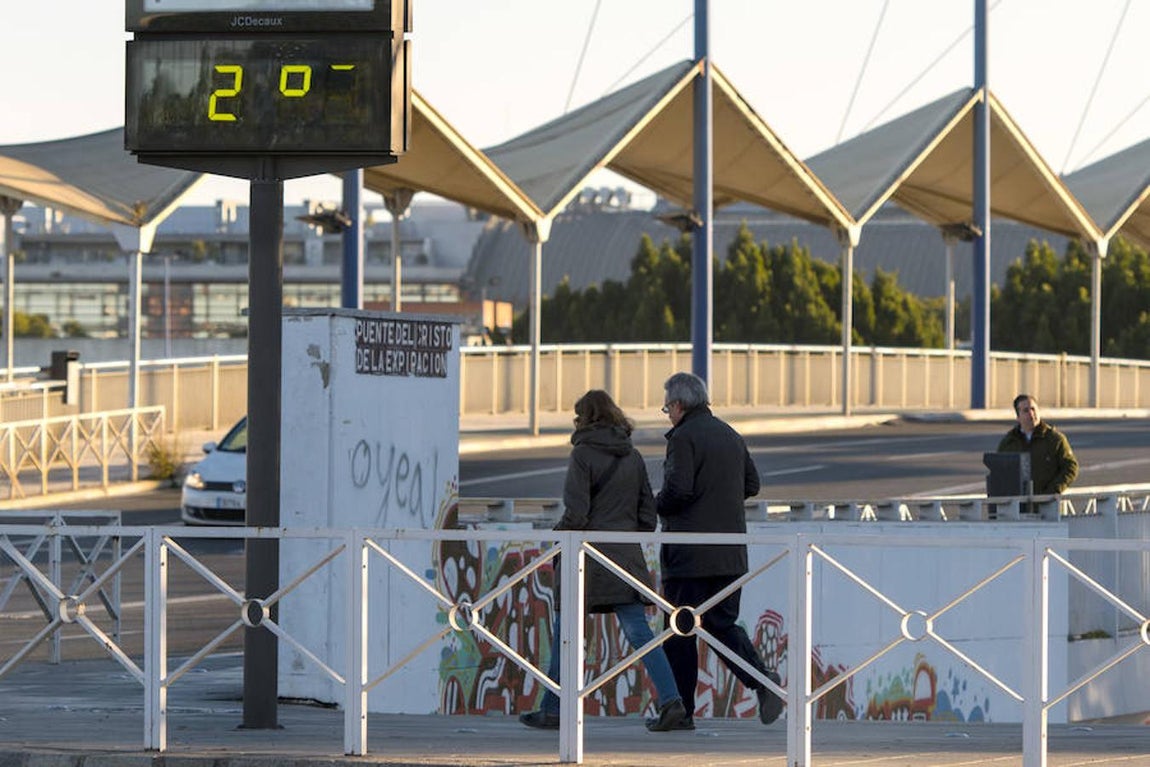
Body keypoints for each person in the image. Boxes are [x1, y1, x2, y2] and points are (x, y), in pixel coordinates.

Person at [519, 389, 687, 732]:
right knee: (640, 632)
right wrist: (622, 535)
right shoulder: (633, 455)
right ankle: (672, 701)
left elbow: (576, 513)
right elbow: (647, 516)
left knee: (566, 633)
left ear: (585, 418)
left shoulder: (582, 454)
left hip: (587, 556)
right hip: (625, 558)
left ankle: (553, 709)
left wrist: (557, 536)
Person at [654, 371, 783, 731]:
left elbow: (678, 491)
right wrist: (719, 503)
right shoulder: (730, 434)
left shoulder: (682, 438)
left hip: (689, 556)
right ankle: (762, 681)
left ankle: (681, 713)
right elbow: (752, 485)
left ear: (679, 405)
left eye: (667, 407)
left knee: (680, 631)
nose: (667, 414)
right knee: (722, 624)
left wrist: (653, 505)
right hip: (730, 554)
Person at [997, 393, 1079, 494]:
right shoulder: (1009, 442)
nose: (1031, 414)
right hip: (1018, 504)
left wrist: (1054, 490)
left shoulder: (1054, 439)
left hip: (1048, 504)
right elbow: (999, 472)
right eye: (1026, 411)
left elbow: (1071, 467)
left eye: (1033, 409)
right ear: (1018, 417)